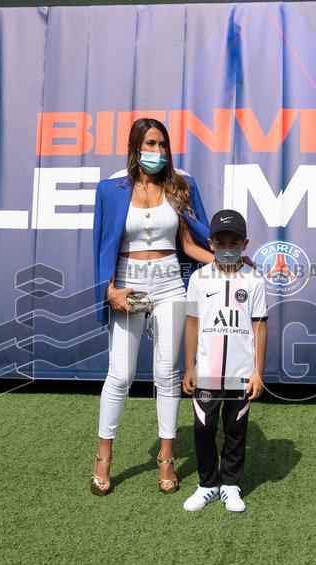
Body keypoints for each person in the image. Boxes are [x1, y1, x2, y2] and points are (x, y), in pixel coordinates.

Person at [91, 118, 213, 495]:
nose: (157, 151)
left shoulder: (180, 185)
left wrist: (226, 260)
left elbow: (189, 243)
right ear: (135, 147)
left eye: (162, 144)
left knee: (166, 372)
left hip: (169, 283)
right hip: (126, 285)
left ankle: (166, 457)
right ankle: (103, 457)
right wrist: (109, 291)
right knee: (120, 374)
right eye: (150, 144)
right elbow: (100, 245)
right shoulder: (110, 190)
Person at [181, 210, 268, 513]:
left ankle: (230, 485)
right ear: (211, 243)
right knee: (204, 429)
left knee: (236, 430)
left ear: (245, 244)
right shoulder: (198, 278)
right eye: (221, 242)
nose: (227, 248)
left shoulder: (254, 280)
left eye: (234, 243)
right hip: (207, 372)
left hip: (241, 373)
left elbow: (260, 326)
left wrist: (258, 372)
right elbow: (192, 323)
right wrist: (189, 366)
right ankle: (207, 484)